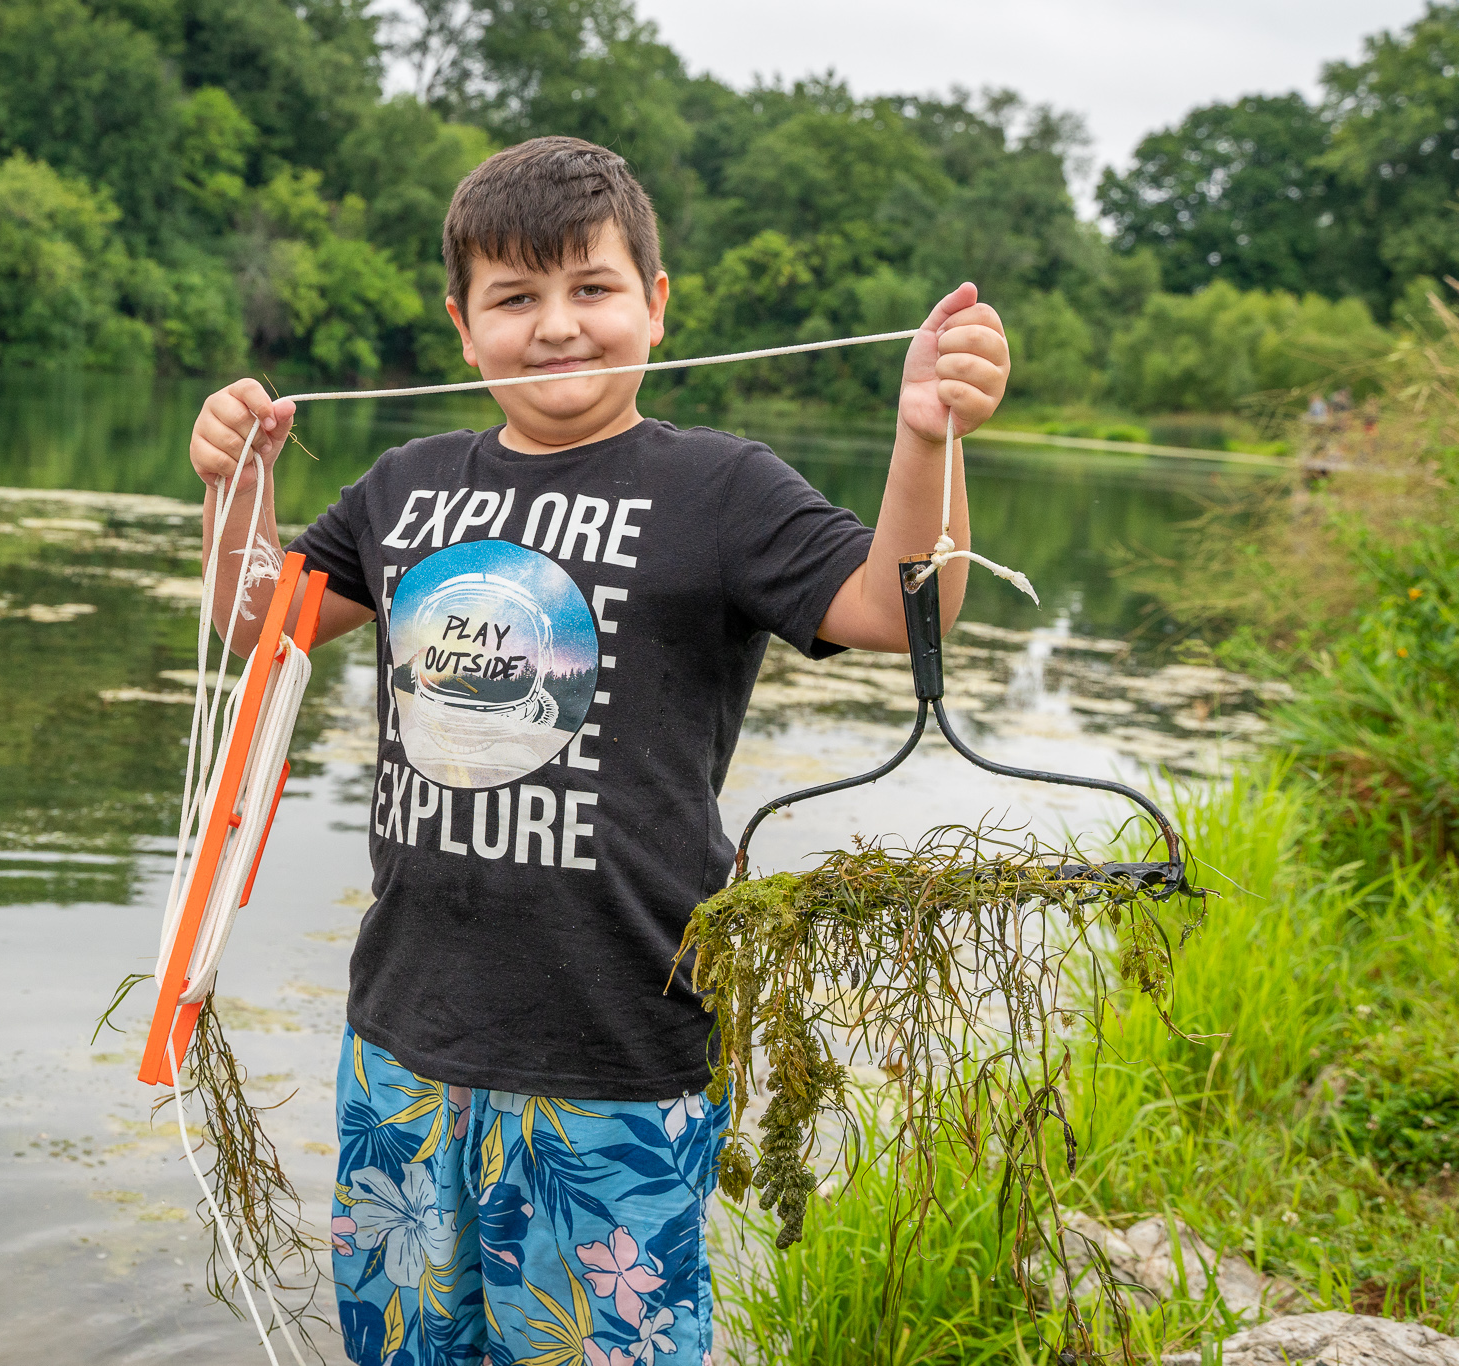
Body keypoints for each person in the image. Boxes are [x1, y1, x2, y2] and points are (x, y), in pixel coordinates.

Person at [187, 136, 1010, 1366]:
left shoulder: (719, 487)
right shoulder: (402, 486)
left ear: (655, 305)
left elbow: (900, 610)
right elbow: (254, 619)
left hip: (618, 1052)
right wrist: (233, 486)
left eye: (591, 288)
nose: (557, 326)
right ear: (463, 327)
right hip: (403, 1041)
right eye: (514, 298)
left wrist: (926, 436)